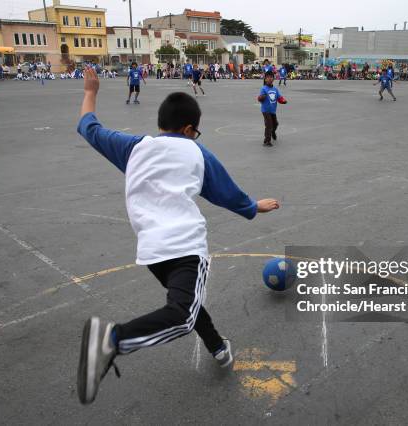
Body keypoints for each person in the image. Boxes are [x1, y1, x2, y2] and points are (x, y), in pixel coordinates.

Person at [75, 67, 279, 404]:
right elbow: (228, 194)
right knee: (182, 314)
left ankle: (217, 346)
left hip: (153, 251)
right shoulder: (197, 152)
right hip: (186, 247)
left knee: (185, 300)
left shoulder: (134, 147)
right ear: (188, 129)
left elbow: (89, 128)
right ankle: (111, 340)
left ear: (161, 124)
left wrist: (91, 92)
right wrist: (254, 207)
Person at [258, 70, 287, 146]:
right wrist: (261, 98)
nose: (270, 79)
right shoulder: (263, 89)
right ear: (265, 79)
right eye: (268, 77)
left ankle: (272, 131)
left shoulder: (275, 89)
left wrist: (283, 100)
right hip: (266, 110)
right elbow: (259, 98)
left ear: (273, 79)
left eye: (271, 77)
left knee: (275, 124)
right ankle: (267, 140)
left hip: (272, 110)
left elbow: (279, 97)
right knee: (269, 125)